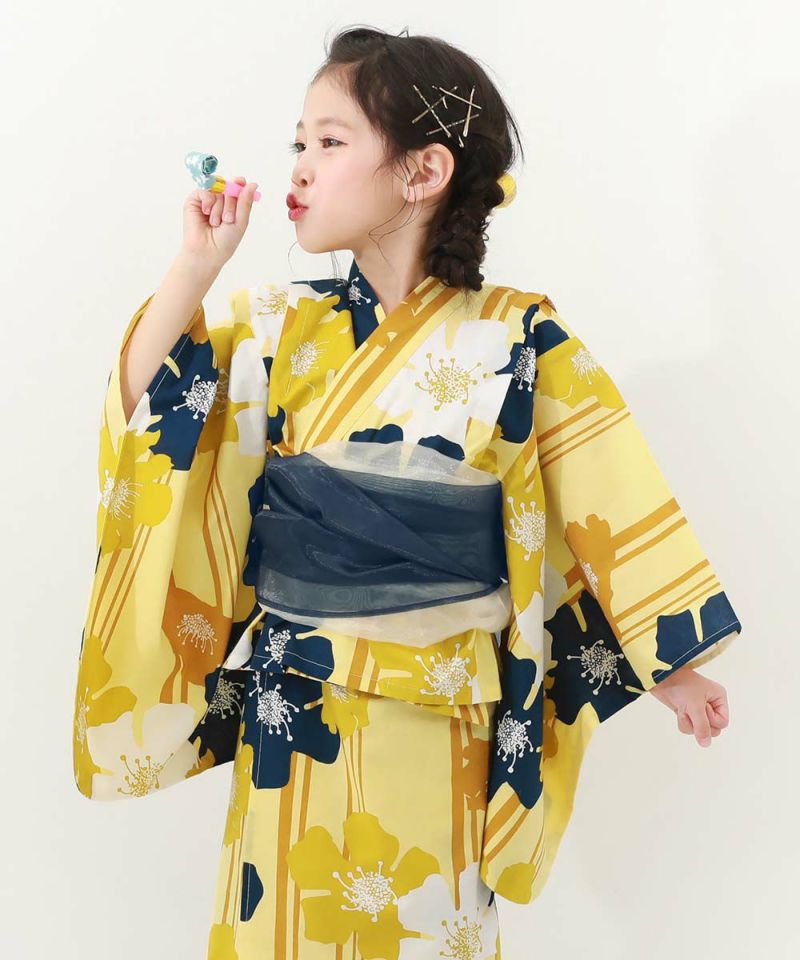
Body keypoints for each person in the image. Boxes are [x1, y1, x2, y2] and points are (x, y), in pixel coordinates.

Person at [71, 24, 742, 960]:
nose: (301, 166)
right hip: (294, 704)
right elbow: (153, 414)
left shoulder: (519, 337)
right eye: (298, 142)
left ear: (423, 171)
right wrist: (196, 268)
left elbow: (599, 488)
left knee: (428, 922)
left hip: (443, 710)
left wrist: (668, 663)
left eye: (330, 141)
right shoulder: (279, 325)